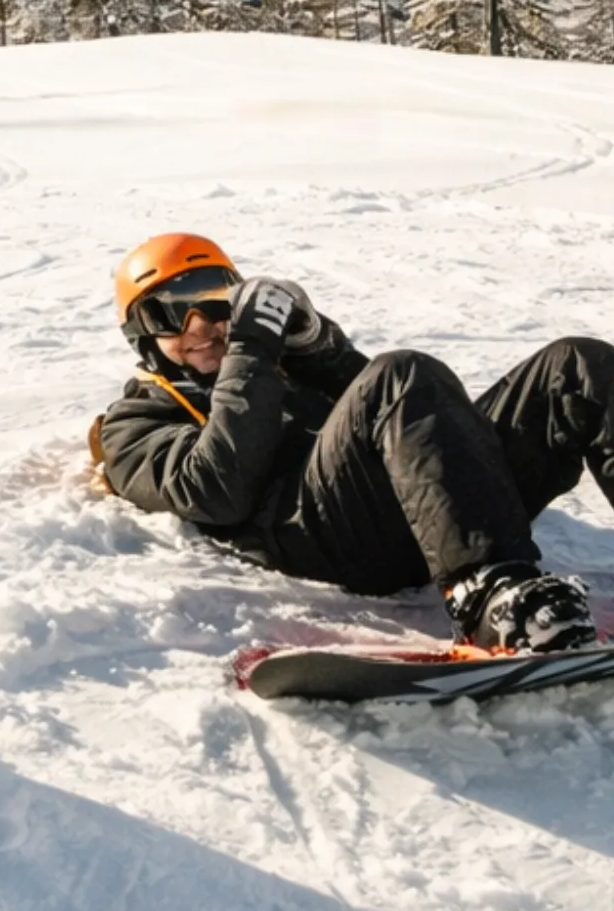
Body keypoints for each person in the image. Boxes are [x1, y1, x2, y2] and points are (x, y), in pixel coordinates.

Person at [93, 231, 614, 653]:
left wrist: (318, 345)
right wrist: (251, 349)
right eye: (169, 313)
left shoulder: (283, 367)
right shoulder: (134, 422)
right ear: (141, 335)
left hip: (427, 509)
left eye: (213, 301)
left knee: (576, 367)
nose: (201, 326)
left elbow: (404, 415)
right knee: (403, 371)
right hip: (322, 540)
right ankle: (492, 600)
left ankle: (489, 570)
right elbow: (215, 491)